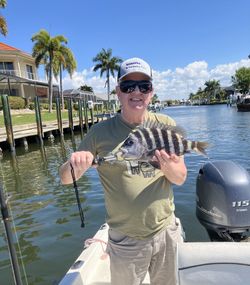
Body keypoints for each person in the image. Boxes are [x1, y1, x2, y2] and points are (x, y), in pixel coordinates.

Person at [59, 57, 187, 285]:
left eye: (144, 86)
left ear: (151, 92)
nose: (136, 91)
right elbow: (65, 179)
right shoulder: (100, 132)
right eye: (128, 86)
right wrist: (75, 163)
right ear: (118, 91)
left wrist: (168, 166)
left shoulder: (165, 124)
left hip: (166, 232)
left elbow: (181, 178)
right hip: (126, 240)